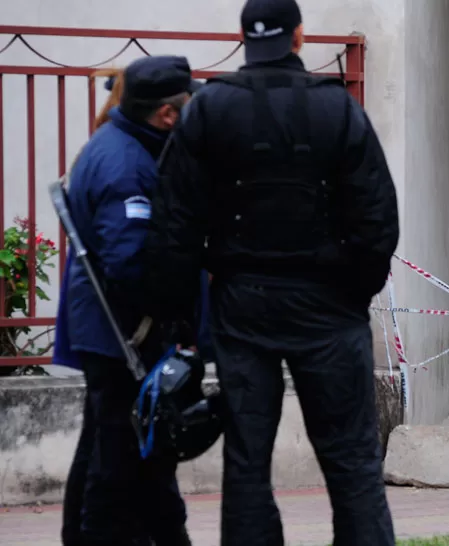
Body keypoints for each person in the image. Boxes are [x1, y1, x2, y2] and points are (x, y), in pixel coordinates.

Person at [140, 0, 400, 544]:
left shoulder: (208, 109)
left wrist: (180, 323)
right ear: (299, 37)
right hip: (329, 307)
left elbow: (174, 226)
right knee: (351, 460)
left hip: (243, 306)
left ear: (243, 38)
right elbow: (377, 217)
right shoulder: (338, 109)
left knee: (247, 463)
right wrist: (354, 295)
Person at [52, 56, 203, 546]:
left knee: (108, 447)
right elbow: (129, 264)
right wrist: (174, 318)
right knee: (119, 459)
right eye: (189, 104)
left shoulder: (124, 146)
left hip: (113, 331)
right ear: (166, 115)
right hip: (124, 335)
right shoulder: (126, 167)